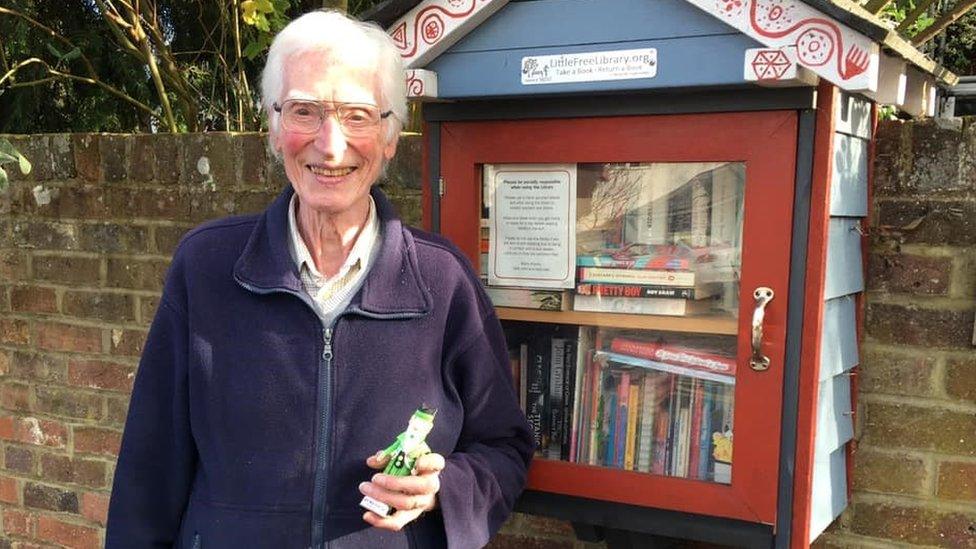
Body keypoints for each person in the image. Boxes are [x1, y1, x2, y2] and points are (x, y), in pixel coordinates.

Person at [105, 10, 534, 549]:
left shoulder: (442, 280)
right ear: (274, 126)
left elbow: (505, 447)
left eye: (357, 115)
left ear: (391, 135)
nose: (330, 146)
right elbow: (150, 467)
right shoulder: (206, 267)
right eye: (305, 111)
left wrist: (441, 489)